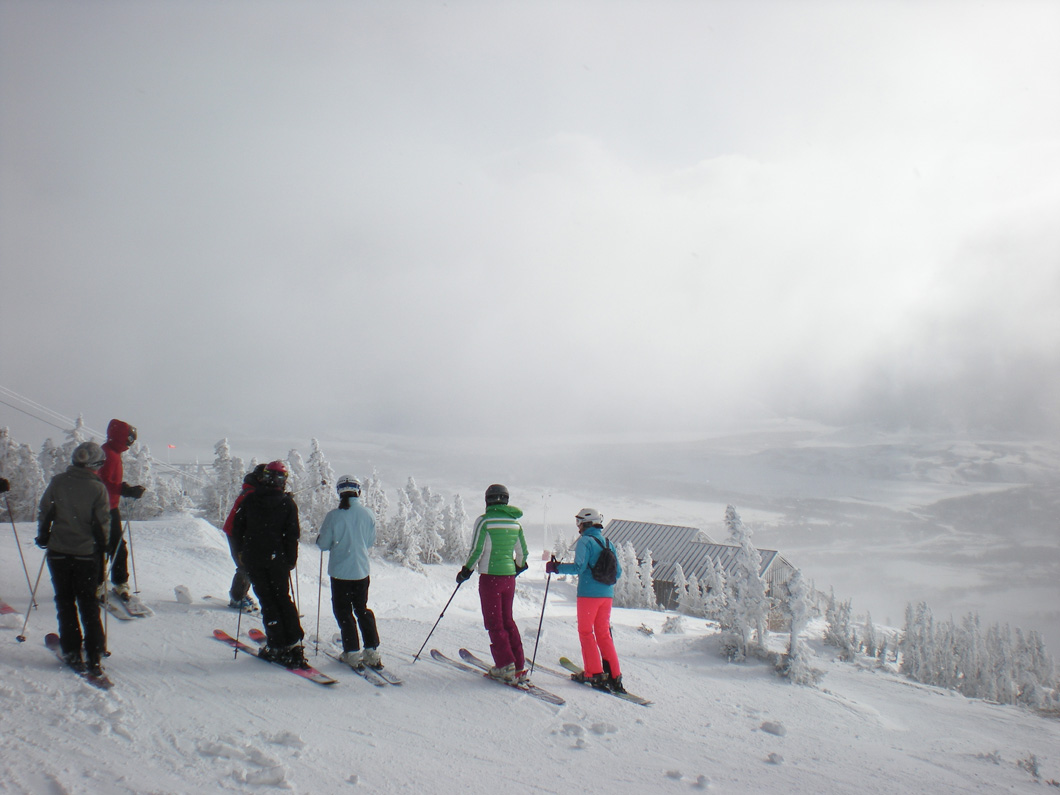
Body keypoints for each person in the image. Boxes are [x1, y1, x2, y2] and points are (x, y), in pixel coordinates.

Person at [35, 442, 111, 675]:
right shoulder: (97, 488)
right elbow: (102, 523)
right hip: (85, 555)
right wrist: (103, 547)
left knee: (65, 600)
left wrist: (44, 535)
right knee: (88, 602)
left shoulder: (58, 482)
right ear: (95, 464)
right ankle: (95, 650)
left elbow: (46, 510)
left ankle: (71, 649)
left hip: (58, 552)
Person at [232, 460, 305, 667]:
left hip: (255, 559)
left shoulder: (250, 500)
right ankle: (293, 642)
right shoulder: (287, 504)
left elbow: (238, 529)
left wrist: (241, 553)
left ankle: (276, 644)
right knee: (282, 598)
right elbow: (292, 535)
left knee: (267, 600)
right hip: (277, 559)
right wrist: (290, 561)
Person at [546, 508, 626, 693]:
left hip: (588, 594)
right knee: (603, 634)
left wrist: (556, 568)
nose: (579, 527)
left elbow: (578, 567)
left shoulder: (585, 541)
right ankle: (615, 675)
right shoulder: (608, 542)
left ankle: (594, 673)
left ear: (586, 523)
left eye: (579, 523)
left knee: (585, 632)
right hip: (607, 595)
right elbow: (618, 572)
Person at [457, 484, 530, 684]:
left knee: (494, 622)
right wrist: (517, 567)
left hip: (490, 578)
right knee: (508, 620)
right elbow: (523, 554)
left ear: (488, 500)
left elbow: (476, 550)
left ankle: (505, 665)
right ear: (506, 499)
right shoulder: (515, 524)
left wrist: (466, 571)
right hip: (509, 579)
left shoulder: (484, 521)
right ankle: (518, 664)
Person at [315, 476, 382, 668]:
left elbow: (324, 544)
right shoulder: (368, 514)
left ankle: (351, 652)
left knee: (343, 612)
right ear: (358, 491)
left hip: (340, 573)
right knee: (362, 609)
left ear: (339, 492)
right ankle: (372, 651)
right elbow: (369, 542)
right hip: (361, 571)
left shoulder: (334, 516)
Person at [97, 419, 146, 601]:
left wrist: (124, 488)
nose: (130, 442)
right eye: (129, 438)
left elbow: (109, 481)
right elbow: (101, 483)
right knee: (103, 547)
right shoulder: (107, 454)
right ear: (120, 437)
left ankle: (119, 582)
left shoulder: (113, 453)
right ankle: (97, 583)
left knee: (117, 547)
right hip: (102, 510)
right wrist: (123, 489)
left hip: (111, 507)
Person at [221, 464, 265, 612]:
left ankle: (240, 595)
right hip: (236, 533)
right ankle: (236, 597)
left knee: (248, 565)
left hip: (240, 532)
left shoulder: (253, 489)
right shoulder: (251, 492)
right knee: (245, 565)